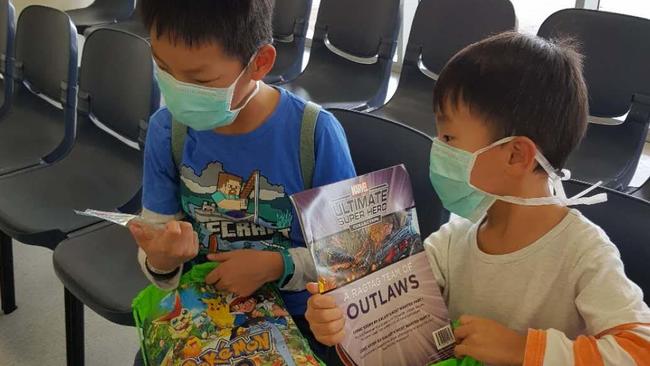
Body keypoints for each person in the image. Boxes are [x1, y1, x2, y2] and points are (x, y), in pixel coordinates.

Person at [304, 32, 650, 365]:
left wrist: (523, 349)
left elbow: (639, 351)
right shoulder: (454, 241)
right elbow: (390, 322)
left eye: (449, 137)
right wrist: (342, 319)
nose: (437, 148)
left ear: (516, 155)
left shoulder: (583, 253)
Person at [128, 1, 355, 364]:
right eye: (163, 68)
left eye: (200, 81)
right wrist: (160, 259)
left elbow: (348, 257)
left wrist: (275, 265)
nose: (177, 91)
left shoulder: (314, 136)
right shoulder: (167, 129)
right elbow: (157, 246)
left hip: (303, 319)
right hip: (204, 308)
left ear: (259, 63)